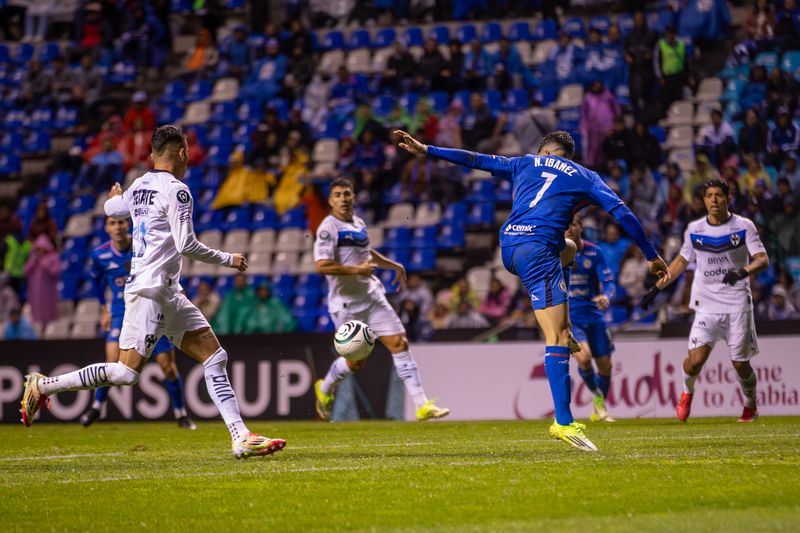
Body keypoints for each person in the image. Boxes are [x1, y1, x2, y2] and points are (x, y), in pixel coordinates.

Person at [394, 129, 669, 451]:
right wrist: (651, 255)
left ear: (545, 153)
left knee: (569, 250)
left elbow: (474, 159)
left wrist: (427, 149)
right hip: (538, 249)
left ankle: (561, 322)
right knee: (555, 337)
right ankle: (564, 423)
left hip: (510, 247)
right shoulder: (585, 176)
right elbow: (623, 214)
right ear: (565, 155)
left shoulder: (525, 163)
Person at [20, 125, 285, 459]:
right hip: (153, 289)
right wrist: (227, 258)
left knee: (214, 357)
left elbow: (110, 210)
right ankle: (43, 386)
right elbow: (186, 244)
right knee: (126, 373)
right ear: (181, 152)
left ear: (152, 155)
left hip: (164, 291)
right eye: (186, 152)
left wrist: (116, 198)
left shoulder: (139, 185)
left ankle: (240, 436)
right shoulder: (178, 191)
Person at [312, 178, 449, 422]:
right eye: (337, 195)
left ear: (354, 198)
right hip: (346, 305)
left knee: (399, 343)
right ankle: (324, 388)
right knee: (355, 364)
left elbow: (366, 254)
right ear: (331, 201)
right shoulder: (328, 227)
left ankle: (422, 405)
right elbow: (321, 266)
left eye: (347, 194)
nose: (343, 199)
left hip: (373, 296)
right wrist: (356, 271)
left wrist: (393, 264)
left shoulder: (358, 223)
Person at [641, 178, 769, 423]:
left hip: (738, 306)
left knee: (741, 365)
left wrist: (743, 272)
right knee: (695, 362)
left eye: (719, 195)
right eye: (709, 195)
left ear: (727, 198)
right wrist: (657, 288)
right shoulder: (695, 229)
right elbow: (681, 261)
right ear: (703, 200)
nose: (714, 200)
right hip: (706, 307)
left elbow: (762, 259)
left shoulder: (743, 226)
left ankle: (751, 404)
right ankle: (687, 393)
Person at [79, 216, 196, 430]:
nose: (118, 227)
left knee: (168, 367)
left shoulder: (144, 247)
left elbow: (167, 266)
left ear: (129, 225)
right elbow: (96, 280)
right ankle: (96, 407)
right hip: (120, 314)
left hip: (151, 311)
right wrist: (104, 308)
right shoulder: (99, 255)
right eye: (113, 223)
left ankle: (181, 415)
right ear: (106, 227)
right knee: (113, 362)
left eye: (122, 222)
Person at [564, 216, 617, 422]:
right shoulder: (558, 252)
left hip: (595, 317)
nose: (568, 228)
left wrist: (607, 296)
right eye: (565, 225)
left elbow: (609, 282)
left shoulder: (595, 252)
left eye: (573, 224)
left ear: (580, 228)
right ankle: (597, 400)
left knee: (605, 366)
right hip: (571, 319)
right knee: (584, 358)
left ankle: (599, 408)